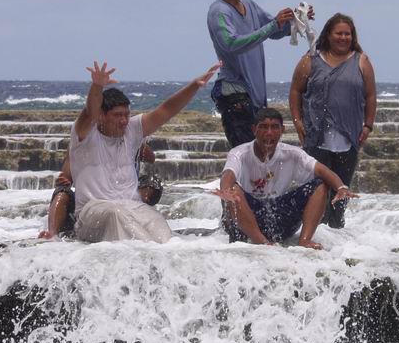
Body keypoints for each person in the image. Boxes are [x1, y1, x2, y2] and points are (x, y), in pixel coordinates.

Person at [70, 59, 220, 243]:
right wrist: (97, 86)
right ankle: (146, 255)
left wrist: (194, 87)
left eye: (126, 115)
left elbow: (165, 110)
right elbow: (89, 113)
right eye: (117, 115)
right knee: (116, 214)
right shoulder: (85, 135)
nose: (124, 121)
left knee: (163, 233)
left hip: (133, 207)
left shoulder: (131, 130)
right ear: (101, 116)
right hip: (92, 214)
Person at [208, 0, 313, 148]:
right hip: (235, 94)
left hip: (255, 95)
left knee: (260, 156)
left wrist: (298, 22)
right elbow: (232, 43)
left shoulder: (248, 4)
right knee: (245, 156)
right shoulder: (219, 12)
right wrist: (274, 25)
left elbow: (273, 30)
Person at [214, 108, 358, 250]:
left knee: (320, 185)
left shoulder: (292, 154)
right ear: (254, 130)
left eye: (274, 127)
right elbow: (228, 174)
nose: (269, 133)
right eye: (263, 127)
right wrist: (226, 191)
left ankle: (305, 240)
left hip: (278, 216)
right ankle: (261, 242)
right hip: (246, 219)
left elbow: (321, 170)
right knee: (232, 190)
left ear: (282, 130)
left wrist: (341, 187)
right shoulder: (240, 153)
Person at [289, 13, 377, 228]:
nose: (343, 37)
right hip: (316, 136)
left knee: (342, 190)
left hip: (348, 137)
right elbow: (295, 91)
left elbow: (371, 95)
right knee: (318, 188)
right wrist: (298, 121)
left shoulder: (362, 61)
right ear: (328, 35)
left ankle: (337, 235)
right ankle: (314, 234)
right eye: (339, 33)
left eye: (347, 34)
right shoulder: (310, 59)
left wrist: (368, 125)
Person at [37, 144, 162, 240]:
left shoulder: (128, 141)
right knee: (62, 193)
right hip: (90, 205)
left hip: (124, 199)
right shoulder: (83, 143)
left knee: (153, 183)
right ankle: (52, 235)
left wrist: (133, 139)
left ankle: (141, 219)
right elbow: (65, 180)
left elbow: (150, 157)